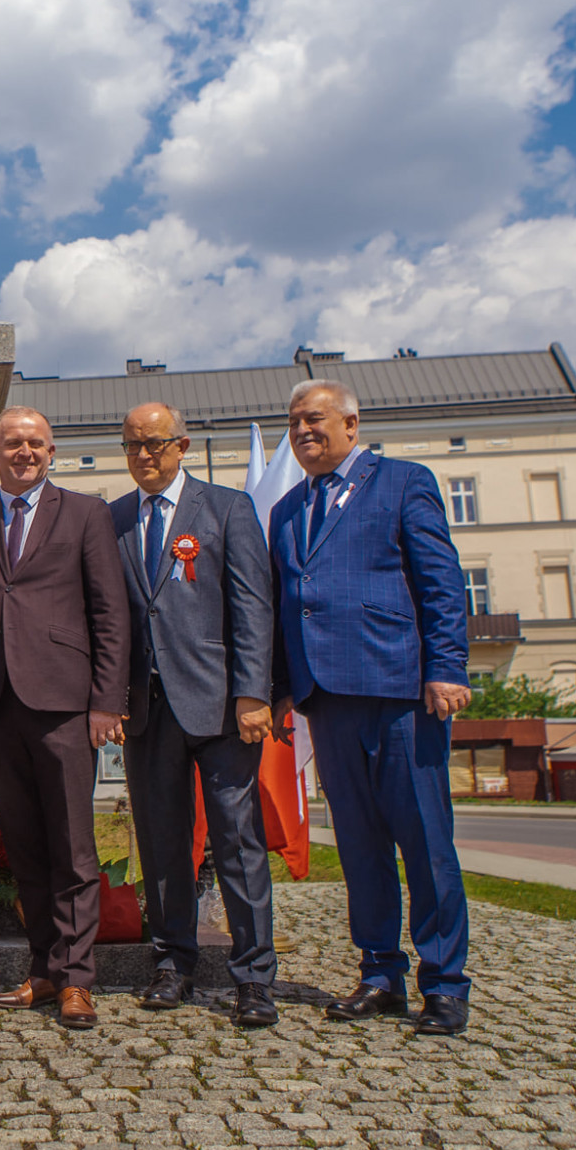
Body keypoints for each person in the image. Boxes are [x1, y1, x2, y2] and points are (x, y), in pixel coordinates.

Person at [269, 379, 474, 1035]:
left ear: (352, 423)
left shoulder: (403, 482)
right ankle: (379, 971)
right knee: (359, 846)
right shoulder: (289, 509)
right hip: (326, 699)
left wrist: (445, 666)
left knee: (424, 842)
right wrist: (281, 687)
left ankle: (444, 983)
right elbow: (284, 606)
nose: (303, 432)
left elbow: (440, 582)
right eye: (295, 423)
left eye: (315, 419)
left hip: (399, 692)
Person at [0, 406, 129, 1030]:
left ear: (51, 452)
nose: (24, 452)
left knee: (74, 848)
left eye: (35, 443)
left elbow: (110, 612)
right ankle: (43, 971)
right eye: (12, 444)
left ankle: (79, 979)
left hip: (64, 706)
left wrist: (108, 700)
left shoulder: (86, 513)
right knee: (25, 848)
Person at [107, 403, 279, 1027]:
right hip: (147, 710)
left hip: (221, 705)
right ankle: (173, 962)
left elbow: (253, 606)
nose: (143, 456)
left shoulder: (227, 508)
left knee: (237, 842)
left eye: (153, 444)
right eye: (131, 446)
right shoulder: (116, 518)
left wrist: (254, 693)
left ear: (181, 445)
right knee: (162, 844)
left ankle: (254, 977)